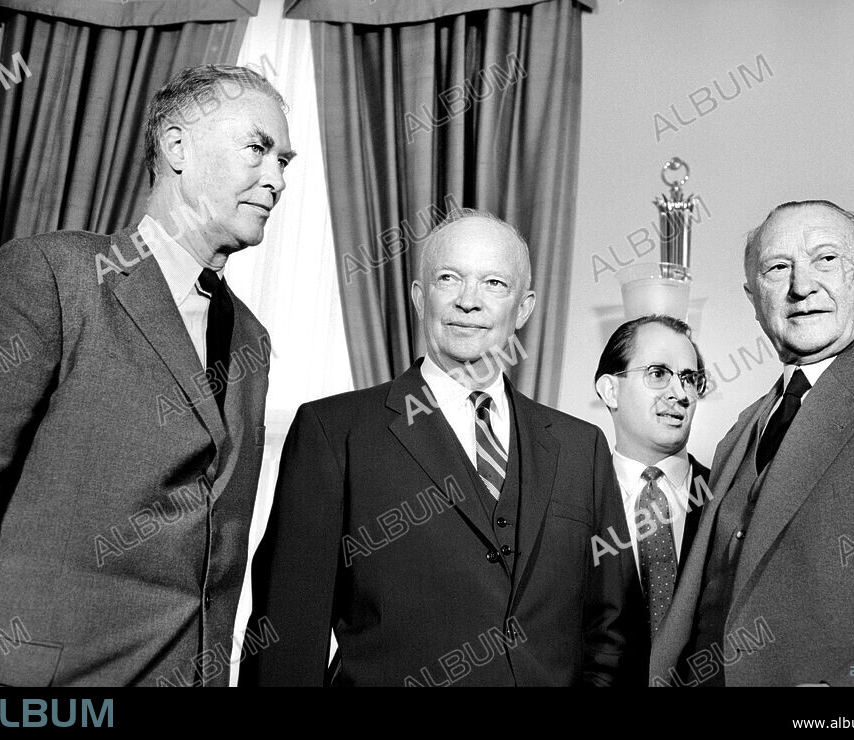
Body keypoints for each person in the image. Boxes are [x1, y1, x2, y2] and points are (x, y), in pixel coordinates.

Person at [0, 64, 293, 687]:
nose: (275, 178)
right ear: (176, 146)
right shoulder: (53, 275)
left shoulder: (253, 339)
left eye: (285, 162)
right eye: (258, 148)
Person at [247, 209, 635, 686]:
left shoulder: (582, 448)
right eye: (449, 278)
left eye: (495, 284)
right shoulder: (334, 433)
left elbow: (613, 634)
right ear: (418, 296)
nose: (469, 301)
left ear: (525, 308)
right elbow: (287, 635)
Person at [649, 200, 854, 687]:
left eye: (827, 259)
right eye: (778, 268)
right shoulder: (741, 429)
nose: (802, 287)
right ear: (753, 297)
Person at [594, 316, 710, 648]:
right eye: (658, 374)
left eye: (689, 378)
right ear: (611, 390)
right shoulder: (573, 502)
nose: (680, 393)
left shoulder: (728, 497)